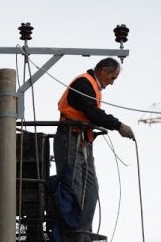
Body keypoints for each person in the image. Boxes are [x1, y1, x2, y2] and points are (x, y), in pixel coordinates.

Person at [54, 58, 135, 232]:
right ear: (103, 71)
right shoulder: (84, 83)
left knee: (91, 188)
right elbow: (92, 113)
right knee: (72, 185)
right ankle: (71, 232)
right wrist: (118, 125)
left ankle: (83, 231)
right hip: (70, 138)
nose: (112, 83)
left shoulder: (91, 86)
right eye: (112, 78)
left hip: (82, 140)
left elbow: (92, 113)